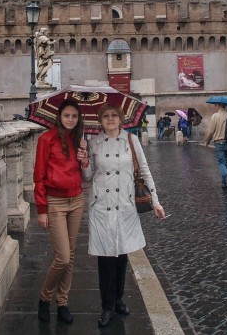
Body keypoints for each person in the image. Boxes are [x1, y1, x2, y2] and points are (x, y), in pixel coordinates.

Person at [80, 103, 165, 328]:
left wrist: (155, 202)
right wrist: (84, 161)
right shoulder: (93, 142)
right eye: (106, 116)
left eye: (114, 115)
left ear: (120, 119)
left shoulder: (131, 140)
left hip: (124, 205)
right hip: (102, 206)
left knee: (121, 255)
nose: (110, 119)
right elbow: (88, 176)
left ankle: (118, 299)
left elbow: (144, 170)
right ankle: (107, 306)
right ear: (100, 121)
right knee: (105, 258)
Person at [33, 98, 87, 324]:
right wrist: (41, 210)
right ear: (59, 116)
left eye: (74, 116)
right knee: (62, 257)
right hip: (55, 203)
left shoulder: (80, 140)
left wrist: (84, 161)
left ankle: (62, 302)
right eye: (67, 116)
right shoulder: (46, 140)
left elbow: (84, 173)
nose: (71, 120)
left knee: (71, 256)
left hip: (77, 200)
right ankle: (44, 298)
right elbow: (39, 177)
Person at [205, 103, 227, 189]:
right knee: (226, 162)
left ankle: (226, 176)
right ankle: (225, 183)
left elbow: (210, 131)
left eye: (215, 105)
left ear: (218, 105)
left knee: (221, 162)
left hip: (219, 142)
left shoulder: (215, 116)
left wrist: (207, 141)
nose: (214, 107)